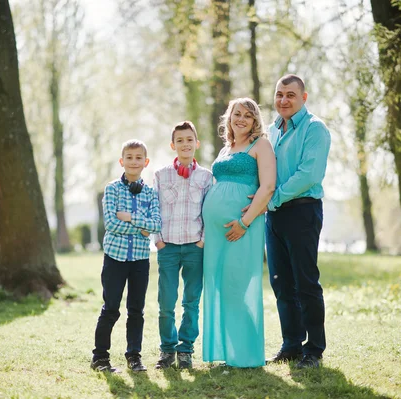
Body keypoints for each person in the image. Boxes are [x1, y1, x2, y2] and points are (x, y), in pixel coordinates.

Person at [263, 74, 331, 369]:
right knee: (281, 283)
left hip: (302, 211)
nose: (283, 100)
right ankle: (291, 345)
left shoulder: (315, 129)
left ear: (304, 97)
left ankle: (313, 349)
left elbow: (309, 174)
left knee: (305, 283)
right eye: (279, 94)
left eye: (290, 95)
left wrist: (273, 197)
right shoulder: (271, 130)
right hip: (273, 215)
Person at [202, 98, 276, 368]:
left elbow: (267, 187)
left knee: (236, 286)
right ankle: (232, 353)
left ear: (255, 121)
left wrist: (244, 222)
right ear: (229, 118)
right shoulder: (226, 149)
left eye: (248, 115)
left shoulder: (261, 146)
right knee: (221, 288)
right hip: (216, 233)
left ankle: (248, 355)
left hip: (242, 228)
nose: (241, 119)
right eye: (237, 114)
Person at [90, 139, 162, 373]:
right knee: (111, 307)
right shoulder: (112, 189)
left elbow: (155, 224)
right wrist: (142, 227)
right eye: (129, 158)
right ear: (122, 161)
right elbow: (111, 224)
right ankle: (100, 358)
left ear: (145, 162)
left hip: (140, 260)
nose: (134, 162)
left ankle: (134, 356)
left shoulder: (150, 193)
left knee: (136, 310)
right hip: (115, 259)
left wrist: (130, 218)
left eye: (138, 157)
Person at [153, 121, 213, 369]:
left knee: (191, 301)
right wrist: (157, 239)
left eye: (189, 140)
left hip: (194, 247)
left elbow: (210, 211)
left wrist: (203, 240)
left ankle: (186, 348)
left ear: (196, 144)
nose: (185, 144)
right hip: (167, 246)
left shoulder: (207, 177)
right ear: (173, 145)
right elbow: (154, 208)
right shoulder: (161, 175)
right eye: (180, 140)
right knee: (166, 302)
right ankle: (167, 349)